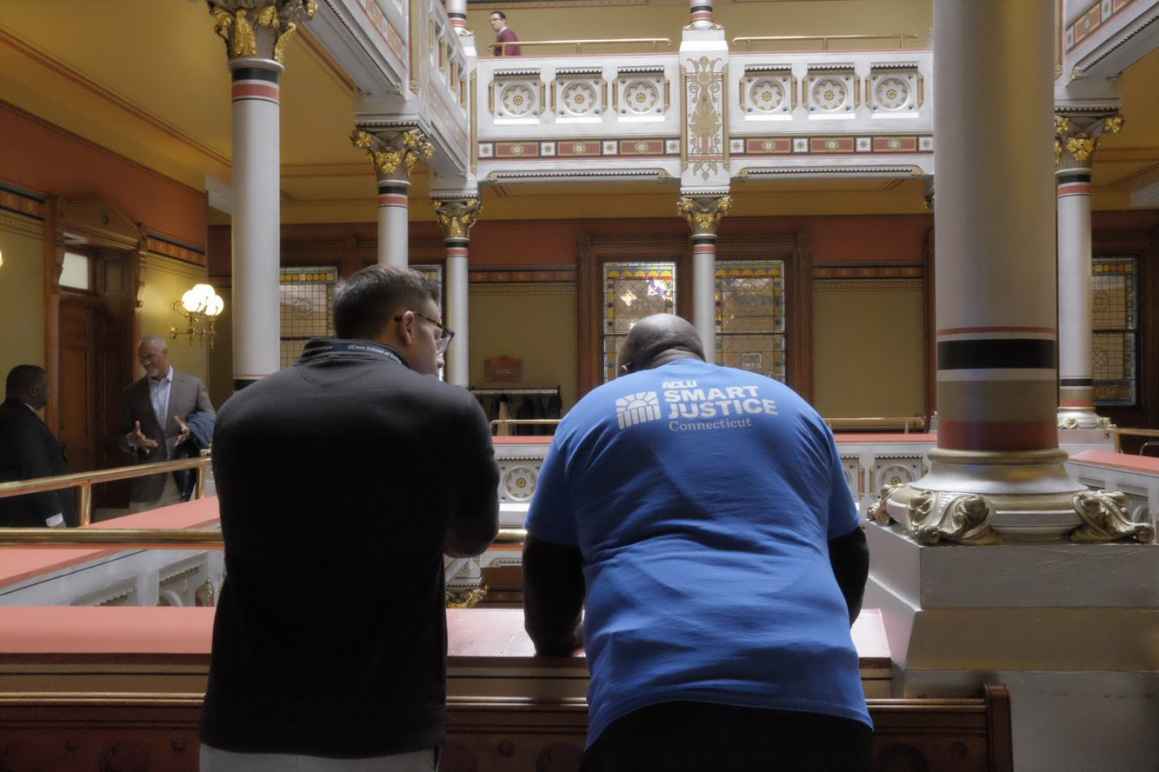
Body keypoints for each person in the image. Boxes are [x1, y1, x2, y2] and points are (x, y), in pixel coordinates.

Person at [523, 314, 873, 772]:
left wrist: (555, 644)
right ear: (705, 359)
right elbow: (849, 551)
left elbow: (548, 564)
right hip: (821, 698)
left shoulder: (593, 412)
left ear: (626, 372)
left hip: (653, 701)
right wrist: (808, 638)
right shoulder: (790, 405)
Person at [200, 265, 500, 771]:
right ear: (407, 326)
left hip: (245, 709)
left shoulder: (242, 410)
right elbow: (471, 538)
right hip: (383, 716)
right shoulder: (446, 409)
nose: (440, 346)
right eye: (438, 331)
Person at [119, 336, 214, 511]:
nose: (145, 363)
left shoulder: (193, 385)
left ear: (165, 354)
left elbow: (210, 419)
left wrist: (190, 429)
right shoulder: (132, 393)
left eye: (150, 356)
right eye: (142, 358)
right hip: (147, 483)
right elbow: (119, 438)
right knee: (143, 536)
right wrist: (132, 440)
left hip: (184, 478)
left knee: (181, 536)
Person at [0, 365, 74, 528]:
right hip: (33, 518)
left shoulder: (5, 414)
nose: (50, 392)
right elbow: (36, 471)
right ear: (34, 390)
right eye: (47, 387)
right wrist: (56, 520)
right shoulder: (24, 422)